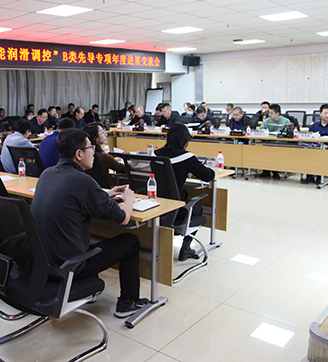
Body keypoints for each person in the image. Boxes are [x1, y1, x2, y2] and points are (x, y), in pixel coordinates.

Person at [30, 128, 147, 318]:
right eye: (90, 148)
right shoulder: (83, 181)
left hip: (44, 262)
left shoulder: (47, 174)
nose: (93, 152)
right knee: (130, 242)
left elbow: (75, 196)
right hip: (71, 266)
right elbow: (123, 218)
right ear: (79, 154)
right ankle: (128, 303)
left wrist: (107, 193)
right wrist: (129, 200)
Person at [154, 124, 215, 261]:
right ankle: (185, 248)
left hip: (158, 206)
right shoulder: (187, 157)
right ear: (184, 140)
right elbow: (208, 176)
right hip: (177, 208)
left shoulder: (156, 154)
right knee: (197, 209)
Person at [303, 104, 328, 184]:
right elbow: (309, 137)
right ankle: (309, 176)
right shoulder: (314, 126)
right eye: (325, 113)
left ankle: (319, 177)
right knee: (308, 154)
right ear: (320, 114)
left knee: (325, 155)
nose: (327, 115)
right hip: (316, 147)